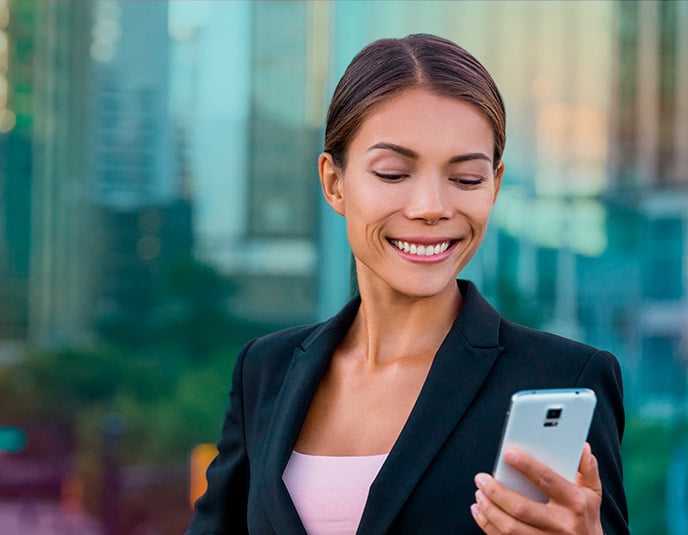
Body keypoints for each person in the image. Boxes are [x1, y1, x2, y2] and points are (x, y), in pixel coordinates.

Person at [186, 34, 627, 535]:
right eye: (394, 174)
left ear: (495, 185)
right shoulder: (266, 370)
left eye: (466, 179)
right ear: (334, 182)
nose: (431, 207)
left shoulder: (563, 378)